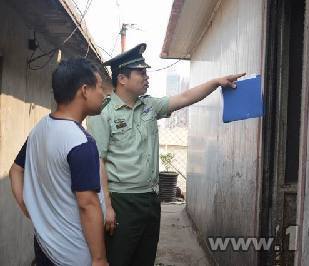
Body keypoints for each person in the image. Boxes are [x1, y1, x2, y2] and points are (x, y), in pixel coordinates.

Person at [87, 43, 244, 266]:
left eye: (146, 72)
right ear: (122, 79)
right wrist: (108, 206)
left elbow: (185, 97)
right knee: (119, 259)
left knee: (145, 258)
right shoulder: (103, 113)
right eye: (141, 72)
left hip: (151, 199)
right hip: (123, 200)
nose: (146, 77)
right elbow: (98, 161)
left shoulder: (149, 106)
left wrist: (215, 82)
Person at [9, 58, 108, 266]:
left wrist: (27, 207)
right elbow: (87, 205)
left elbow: (15, 171)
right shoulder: (80, 142)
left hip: (44, 246)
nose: (104, 93)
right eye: (99, 87)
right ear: (84, 90)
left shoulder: (41, 128)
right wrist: (99, 259)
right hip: (73, 256)